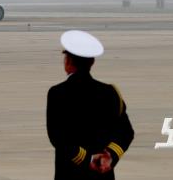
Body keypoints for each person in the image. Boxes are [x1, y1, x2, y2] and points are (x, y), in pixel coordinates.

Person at [46, 30, 134, 179]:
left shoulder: (58, 93)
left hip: (70, 174)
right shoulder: (110, 93)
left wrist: (88, 159)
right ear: (92, 62)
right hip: (102, 175)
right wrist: (109, 156)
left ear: (67, 61)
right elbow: (126, 132)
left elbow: (58, 138)